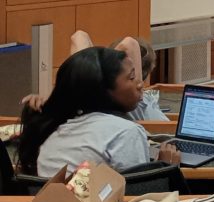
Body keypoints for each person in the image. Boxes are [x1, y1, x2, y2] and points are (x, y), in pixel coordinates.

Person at [18, 47, 179, 177]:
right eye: (131, 78)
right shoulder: (126, 132)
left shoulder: (55, 129)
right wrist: (166, 168)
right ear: (104, 90)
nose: (140, 83)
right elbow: (138, 198)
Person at [21, 31, 167, 122]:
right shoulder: (134, 98)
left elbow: (79, 36)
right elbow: (129, 44)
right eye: (131, 77)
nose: (138, 85)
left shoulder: (83, 101)